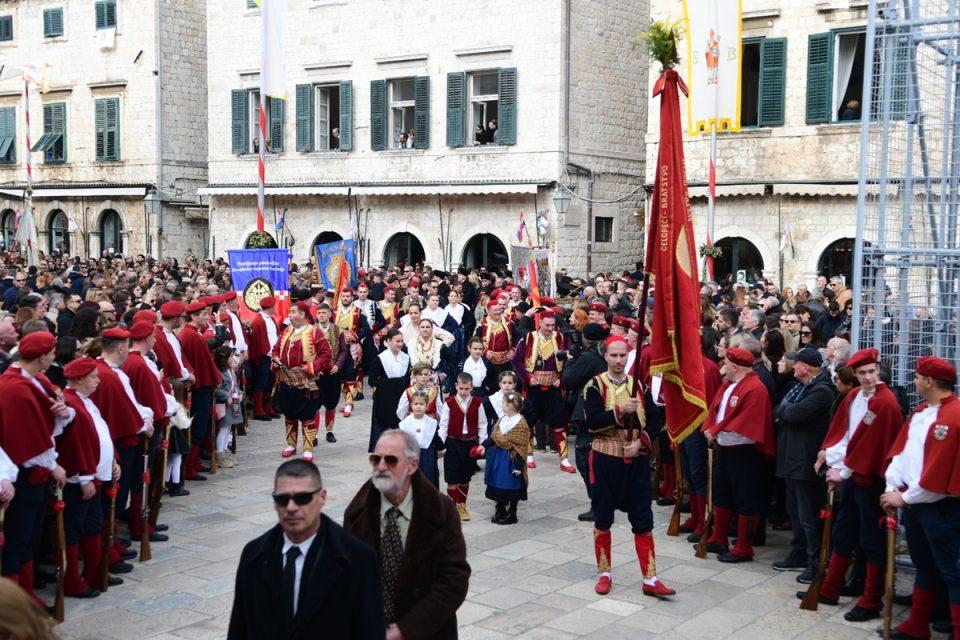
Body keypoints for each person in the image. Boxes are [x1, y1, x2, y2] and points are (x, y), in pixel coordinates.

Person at [228, 459, 385, 639]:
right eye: (282, 499)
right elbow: (239, 628)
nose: (291, 508)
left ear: (322, 498)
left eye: (302, 498)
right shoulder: (254, 555)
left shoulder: (358, 558)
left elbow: (370, 631)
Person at [803, 348, 903, 619]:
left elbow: (872, 447)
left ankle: (872, 600)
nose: (868, 377)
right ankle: (831, 587)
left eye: (872, 371)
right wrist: (833, 462)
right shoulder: (854, 397)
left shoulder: (886, 403)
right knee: (844, 532)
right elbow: (845, 435)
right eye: (862, 373)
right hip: (851, 475)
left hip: (872, 479)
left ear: (878, 370)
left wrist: (841, 471)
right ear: (855, 375)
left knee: (872, 540)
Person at [344, 429, 471, 640]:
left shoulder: (441, 510)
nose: (381, 466)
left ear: (412, 465)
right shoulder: (357, 512)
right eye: (376, 459)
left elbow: (454, 579)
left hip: (428, 632)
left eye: (391, 460)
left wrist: (407, 629)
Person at [584, 336, 674, 597]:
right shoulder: (594, 386)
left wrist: (643, 441)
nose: (618, 360)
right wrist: (619, 411)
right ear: (606, 356)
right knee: (603, 518)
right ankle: (604, 573)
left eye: (623, 355)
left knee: (643, 519)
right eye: (614, 355)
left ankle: (650, 577)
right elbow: (590, 422)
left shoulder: (639, 387)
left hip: (636, 461)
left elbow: (656, 420)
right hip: (605, 460)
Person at [881, 356, 960, 640]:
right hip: (914, 501)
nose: (913, 381)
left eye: (917, 377)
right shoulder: (921, 412)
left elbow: (937, 474)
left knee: (952, 571)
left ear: (929, 381)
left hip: (940, 507)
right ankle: (917, 623)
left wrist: (903, 498)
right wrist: (893, 484)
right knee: (924, 563)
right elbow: (904, 452)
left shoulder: (951, 417)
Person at [0, 332, 70, 606]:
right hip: (24, 474)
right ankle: (14, 604)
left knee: (29, 535)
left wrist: (61, 412)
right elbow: (24, 437)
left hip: (33, 471)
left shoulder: (31, 381)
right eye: (51, 353)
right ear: (42, 357)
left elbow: (43, 423)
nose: (54, 357)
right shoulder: (14, 388)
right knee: (18, 538)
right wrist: (51, 465)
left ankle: (26, 592)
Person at [701, 347, 775, 563]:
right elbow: (717, 411)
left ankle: (744, 547)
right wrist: (711, 429)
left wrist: (715, 433)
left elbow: (747, 428)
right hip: (725, 448)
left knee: (746, 499)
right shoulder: (730, 385)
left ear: (734, 366)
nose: (723, 366)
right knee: (722, 494)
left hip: (745, 452)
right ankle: (719, 538)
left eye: (725, 362)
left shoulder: (755, 389)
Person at [772, 348, 836, 581]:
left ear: (806, 367)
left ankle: (815, 560)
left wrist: (786, 411)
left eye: (796, 363)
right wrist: (785, 411)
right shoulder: (802, 388)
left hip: (806, 461)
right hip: (793, 459)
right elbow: (779, 411)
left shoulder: (822, 391)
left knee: (808, 515)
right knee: (796, 511)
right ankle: (799, 552)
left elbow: (794, 413)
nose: (792, 366)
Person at [58, 357, 119, 598]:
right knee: (74, 529)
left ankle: (94, 572)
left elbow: (101, 434)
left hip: (96, 475)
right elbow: (75, 444)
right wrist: (85, 478)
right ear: (80, 379)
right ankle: (72, 579)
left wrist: (114, 461)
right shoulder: (71, 404)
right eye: (93, 376)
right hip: (81, 479)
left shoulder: (86, 401)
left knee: (93, 524)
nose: (98, 380)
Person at [272, 302, 333, 463]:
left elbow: (326, 354)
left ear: (303, 314)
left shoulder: (315, 332)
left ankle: (308, 448)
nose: (290, 315)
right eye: (290, 312)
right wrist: (276, 359)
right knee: (289, 414)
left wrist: (312, 366)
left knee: (307, 416)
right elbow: (276, 348)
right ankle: (291, 445)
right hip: (287, 380)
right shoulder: (286, 331)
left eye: (293, 312)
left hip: (306, 382)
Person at [512, 310, 572, 472]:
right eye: (547, 325)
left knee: (560, 421)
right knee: (529, 420)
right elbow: (516, 360)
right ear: (540, 323)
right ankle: (529, 454)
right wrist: (527, 378)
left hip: (554, 387)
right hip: (533, 387)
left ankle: (564, 459)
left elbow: (570, 361)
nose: (550, 328)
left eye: (553, 325)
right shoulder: (528, 338)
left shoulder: (561, 338)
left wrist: (562, 378)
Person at [179, 301, 221, 479]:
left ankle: (194, 463)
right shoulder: (192, 336)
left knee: (201, 426)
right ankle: (189, 468)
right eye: (203, 314)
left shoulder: (192, 334)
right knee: (197, 427)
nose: (207, 317)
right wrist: (215, 379)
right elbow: (204, 363)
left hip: (201, 386)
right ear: (194, 316)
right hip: (199, 387)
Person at [438, 372, 487, 521]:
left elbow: (483, 425)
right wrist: (441, 445)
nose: (464, 392)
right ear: (456, 386)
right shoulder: (449, 403)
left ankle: (462, 506)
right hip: (453, 443)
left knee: (465, 477)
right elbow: (443, 425)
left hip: (470, 444)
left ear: (472, 387)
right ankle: (452, 508)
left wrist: (482, 444)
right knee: (452, 478)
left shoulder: (478, 403)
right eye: (461, 388)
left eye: (467, 389)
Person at [478, 390, 530, 525]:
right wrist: (484, 445)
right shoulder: (502, 419)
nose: (502, 406)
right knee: (497, 483)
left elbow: (521, 446)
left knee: (511, 485)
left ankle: (512, 513)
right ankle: (499, 509)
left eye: (504, 404)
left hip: (512, 459)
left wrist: (519, 466)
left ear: (513, 405)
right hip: (498, 456)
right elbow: (495, 436)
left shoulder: (521, 424)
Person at [367, 329, 411, 452]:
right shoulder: (380, 358)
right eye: (397, 341)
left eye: (402, 341)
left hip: (400, 396)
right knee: (382, 425)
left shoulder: (406, 358)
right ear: (388, 341)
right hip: (384, 397)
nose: (400, 344)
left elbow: (407, 377)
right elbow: (372, 380)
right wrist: (391, 383)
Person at [314, 303, 346, 442]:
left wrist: (338, 365)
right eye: (319, 313)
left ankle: (329, 431)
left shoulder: (338, 330)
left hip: (333, 372)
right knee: (315, 405)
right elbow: (309, 352)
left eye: (323, 313)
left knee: (331, 403)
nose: (321, 315)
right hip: (317, 374)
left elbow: (344, 350)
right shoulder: (312, 331)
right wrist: (315, 367)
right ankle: (313, 435)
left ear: (329, 314)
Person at [398, 393, 441, 488]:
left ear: (426, 406)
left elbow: (436, 438)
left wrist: (442, 448)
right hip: (411, 456)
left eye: (421, 404)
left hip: (427, 455)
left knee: (427, 480)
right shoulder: (405, 424)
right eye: (416, 404)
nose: (418, 407)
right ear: (411, 405)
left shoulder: (431, 423)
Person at [249, 296, 280, 420]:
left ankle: (268, 407)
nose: (276, 307)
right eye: (275, 305)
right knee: (260, 383)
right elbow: (257, 341)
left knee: (270, 383)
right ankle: (258, 411)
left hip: (272, 356)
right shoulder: (259, 321)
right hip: (263, 356)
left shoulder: (271, 319)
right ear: (270, 307)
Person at [213, 346, 243, 469]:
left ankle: (225, 451)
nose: (233, 358)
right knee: (224, 428)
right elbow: (217, 389)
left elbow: (234, 385)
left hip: (233, 402)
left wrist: (240, 393)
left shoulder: (230, 370)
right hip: (224, 404)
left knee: (229, 428)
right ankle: (219, 454)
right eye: (230, 356)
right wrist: (227, 397)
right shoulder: (219, 372)